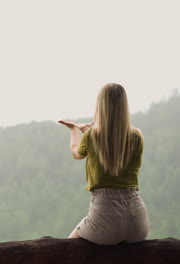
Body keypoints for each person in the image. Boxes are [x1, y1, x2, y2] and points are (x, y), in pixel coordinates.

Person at [58, 83, 150, 245]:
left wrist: (74, 130)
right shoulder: (137, 136)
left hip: (105, 218)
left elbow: (77, 153)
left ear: (100, 106)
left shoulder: (92, 136)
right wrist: (88, 134)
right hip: (137, 222)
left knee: (66, 248)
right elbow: (114, 149)